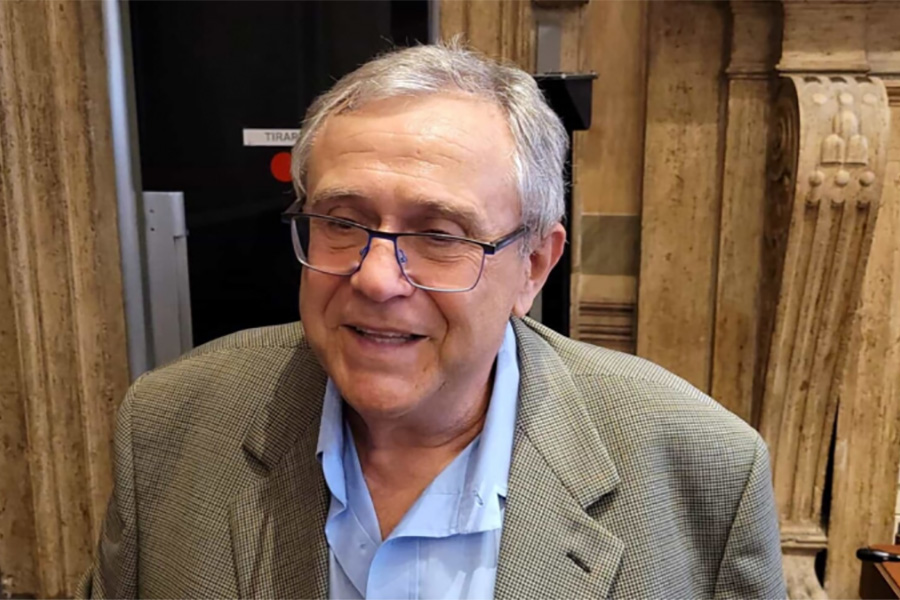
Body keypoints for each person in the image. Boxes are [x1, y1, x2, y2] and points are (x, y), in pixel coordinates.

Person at [78, 41, 785, 599]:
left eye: (439, 235)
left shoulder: (703, 475)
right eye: (342, 222)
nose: (376, 278)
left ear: (534, 265)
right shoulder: (167, 428)